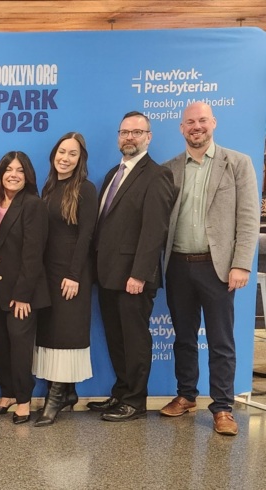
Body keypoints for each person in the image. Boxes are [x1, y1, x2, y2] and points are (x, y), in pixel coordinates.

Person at [159, 102, 259, 436]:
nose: (196, 126)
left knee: (221, 341)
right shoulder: (169, 168)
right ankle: (186, 395)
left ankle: (223, 408)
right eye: (190, 122)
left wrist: (241, 264)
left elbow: (247, 219)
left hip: (217, 268)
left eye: (202, 120)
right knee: (183, 338)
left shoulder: (238, 163)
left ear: (213, 123)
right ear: (181, 128)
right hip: (177, 265)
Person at [87, 111, 174, 422]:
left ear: (149, 137)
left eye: (137, 132)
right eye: (125, 132)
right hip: (109, 274)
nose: (130, 137)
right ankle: (121, 393)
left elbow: (155, 231)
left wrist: (139, 273)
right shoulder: (114, 173)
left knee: (134, 339)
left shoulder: (157, 175)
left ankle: (136, 401)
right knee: (116, 337)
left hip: (134, 278)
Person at [33, 132, 98, 427]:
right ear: (53, 154)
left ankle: (55, 400)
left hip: (71, 275)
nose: (65, 158)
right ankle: (67, 392)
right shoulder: (48, 188)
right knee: (49, 333)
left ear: (80, 159)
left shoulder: (86, 188)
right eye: (62, 152)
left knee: (64, 335)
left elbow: (86, 236)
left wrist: (74, 275)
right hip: (48, 274)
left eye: (72, 154)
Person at [0, 151, 48, 425]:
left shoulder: (32, 204)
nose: (13, 174)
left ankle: (23, 400)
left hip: (22, 292)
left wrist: (23, 295)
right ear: (0, 174)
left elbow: (33, 254)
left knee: (20, 345)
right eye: (8, 169)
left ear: (28, 175)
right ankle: (7, 393)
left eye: (20, 170)